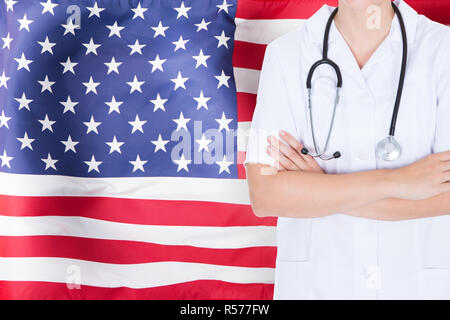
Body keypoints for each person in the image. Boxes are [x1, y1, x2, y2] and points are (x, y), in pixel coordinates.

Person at [244, 0, 450, 299]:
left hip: (415, 285)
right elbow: (265, 196)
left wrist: (318, 189)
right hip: (318, 285)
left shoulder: (443, 50)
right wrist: (400, 181)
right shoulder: (285, 54)